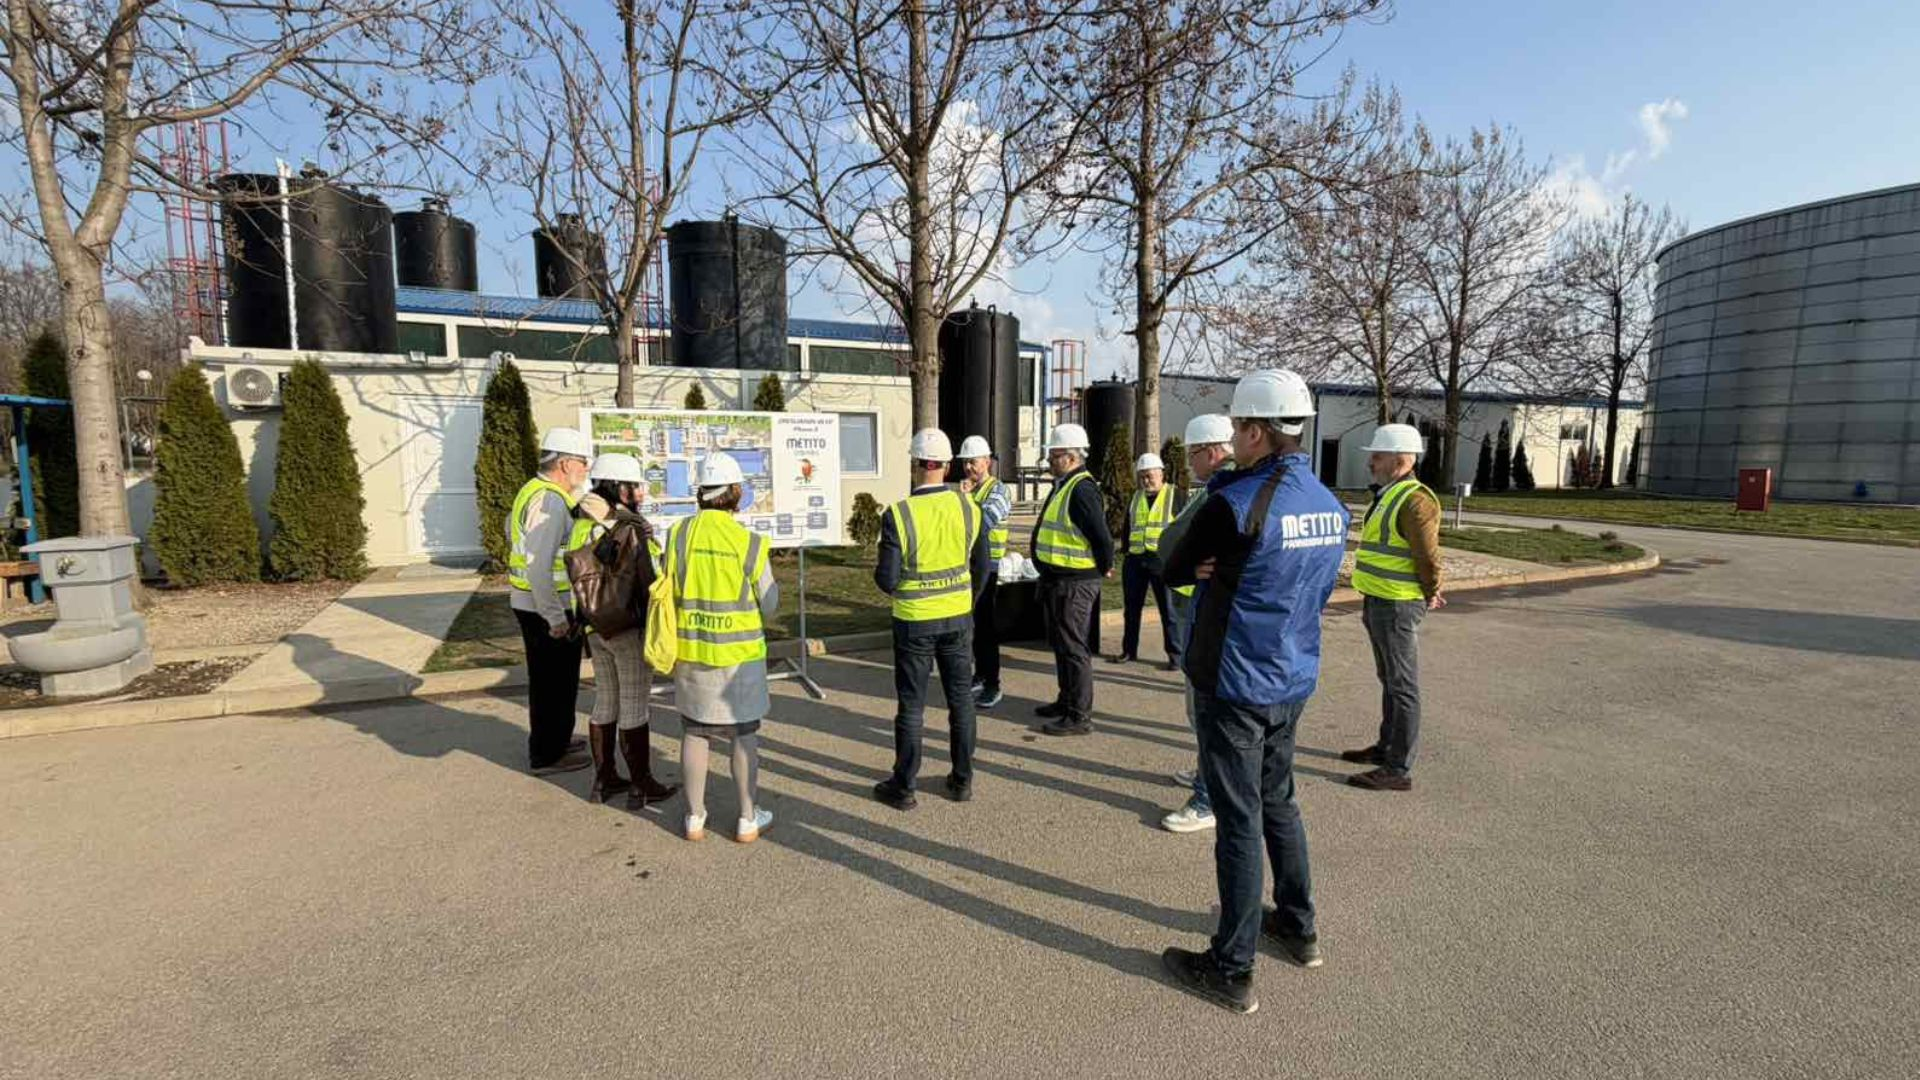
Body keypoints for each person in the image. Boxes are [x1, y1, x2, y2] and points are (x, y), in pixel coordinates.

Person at [1159, 369, 1348, 1015]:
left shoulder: (1233, 502)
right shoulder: (1327, 503)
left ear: (1257, 432)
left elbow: (1170, 563)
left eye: (1238, 426)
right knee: (1279, 802)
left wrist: (1205, 558)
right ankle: (1297, 925)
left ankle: (1231, 966)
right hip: (1291, 675)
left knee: (1238, 821)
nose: (1233, 437)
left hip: (1235, 681)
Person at [659, 454, 779, 843]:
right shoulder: (748, 542)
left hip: (692, 652)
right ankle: (747, 818)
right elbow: (770, 603)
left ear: (702, 493)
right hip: (739, 660)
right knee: (743, 735)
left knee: (695, 733)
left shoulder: (678, 535)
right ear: (736, 493)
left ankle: (694, 817)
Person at [872, 429, 990, 809]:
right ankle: (962, 780)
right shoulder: (969, 508)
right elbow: (983, 567)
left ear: (915, 464)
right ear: (947, 465)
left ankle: (904, 787)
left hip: (914, 622)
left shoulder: (899, 514)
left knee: (912, 706)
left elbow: (887, 579)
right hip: (958, 618)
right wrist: (966, 600)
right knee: (961, 701)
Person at [572, 453, 682, 808]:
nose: (640, 492)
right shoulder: (629, 525)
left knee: (605, 699)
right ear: (618, 487)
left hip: (594, 625)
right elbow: (649, 579)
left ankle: (604, 781)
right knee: (635, 704)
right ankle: (641, 784)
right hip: (627, 627)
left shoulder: (578, 520)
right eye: (634, 485)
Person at [1342, 423, 1445, 793]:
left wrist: (1432, 590)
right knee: (1389, 679)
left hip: (1398, 603)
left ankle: (1398, 768)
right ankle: (1385, 747)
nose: (1371, 462)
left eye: (1378, 456)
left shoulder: (1415, 500)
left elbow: (1427, 556)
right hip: (1378, 598)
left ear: (1401, 460)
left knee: (1402, 685)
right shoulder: (1389, 494)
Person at [1157, 414, 1235, 835]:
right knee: (1201, 707)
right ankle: (1208, 772)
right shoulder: (1215, 488)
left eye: (1193, 454)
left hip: (1211, 614)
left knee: (1207, 708)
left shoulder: (1225, 491)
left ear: (1213, 450)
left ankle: (1210, 795)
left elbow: (1173, 541)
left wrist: (1182, 557)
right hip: (1198, 602)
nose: (1189, 462)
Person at [509, 426, 595, 775]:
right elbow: (538, 565)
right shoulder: (550, 501)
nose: (586, 469)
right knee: (553, 684)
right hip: (545, 607)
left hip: (535, 603)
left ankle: (557, 739)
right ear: (564, 464)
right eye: (583, 462)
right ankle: (547, 754)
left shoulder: (535, 491)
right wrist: (555, 617)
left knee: (558, 679)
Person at [1030, 422, 1114, 737]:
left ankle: (1079, 715)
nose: (1050, 461)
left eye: (1054, 456)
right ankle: (1066, 700)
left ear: (1072, 457)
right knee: (1062, 644)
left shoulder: (1082, 489)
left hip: (1075, 582)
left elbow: (1102, 537)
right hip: (1058, 580)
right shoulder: (1065, 484)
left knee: (1073, 648)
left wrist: (1104, 565)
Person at [1110, 452, 1185, 669]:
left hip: (1163, 561)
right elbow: (1128, 526)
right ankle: (1128, 650)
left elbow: (1185, 527)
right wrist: (1125, 551)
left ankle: (1176, 655)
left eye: (1149, 476)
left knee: (1169, 611)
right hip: (1135, 560)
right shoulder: (1136, 497)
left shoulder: (1176, 496)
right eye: (1142, 476)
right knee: (1131, 609)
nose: (1145, 481)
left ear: (1161, 474)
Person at [957, 435, 1010, 709]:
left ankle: (993, 684)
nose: (968, 467)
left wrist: (965, 501)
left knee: (986, 628)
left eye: (973, 462)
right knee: (976, 626)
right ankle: (980, 674)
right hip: (972, 566)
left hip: (989, 568)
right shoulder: (971, 491)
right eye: (965, 462)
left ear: (987, 462)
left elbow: (982, 523)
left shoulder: (998, 490)